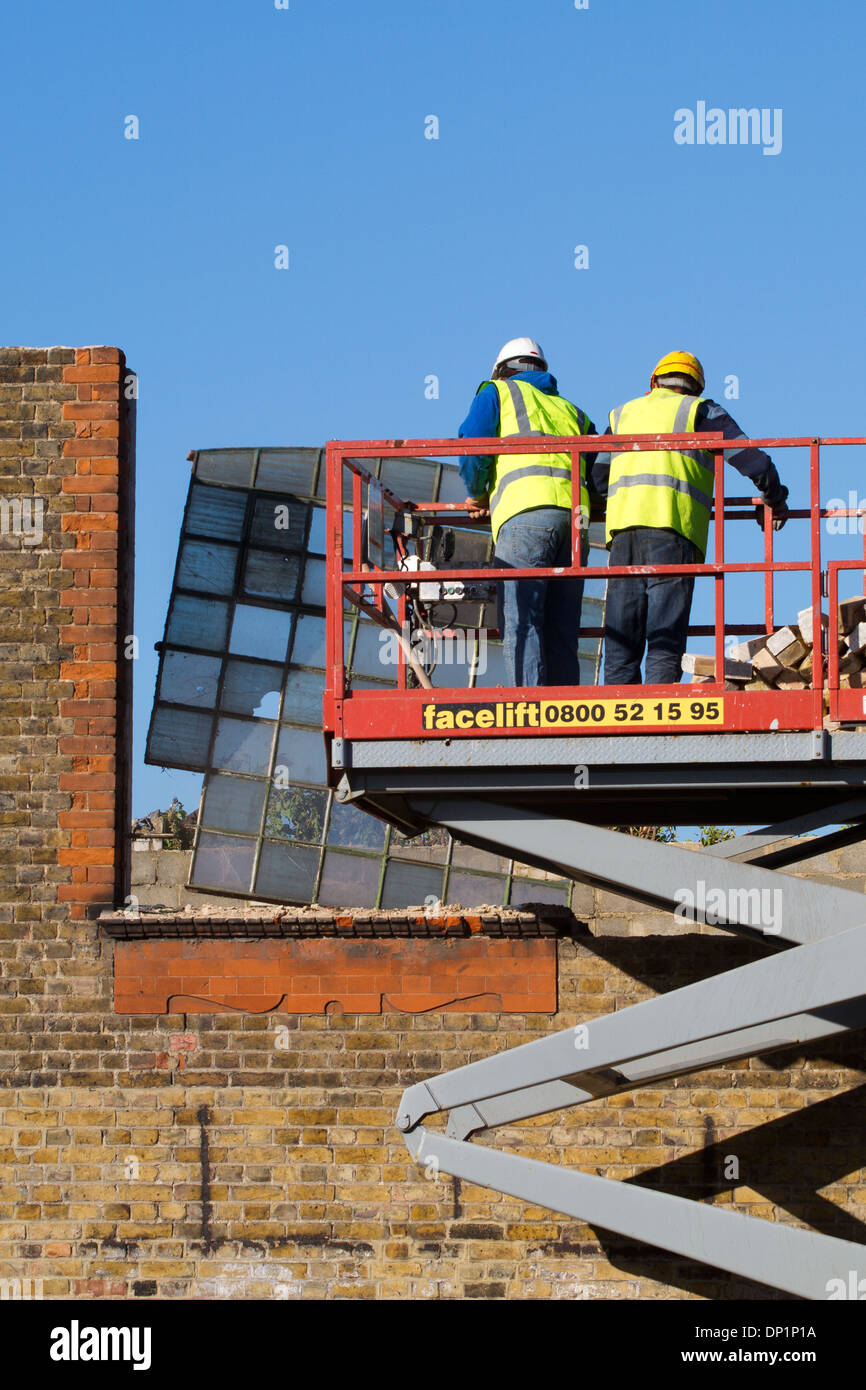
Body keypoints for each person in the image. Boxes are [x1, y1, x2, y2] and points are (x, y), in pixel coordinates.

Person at [591, 350, 789, 686]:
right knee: (664, 640)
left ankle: (617, 726)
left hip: (623, 537)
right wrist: (775, 498)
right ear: (695, 387)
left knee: (621, 642)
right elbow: (753, 460)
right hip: (674, 533)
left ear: (653, 383)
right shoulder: (700, 410)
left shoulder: (623, 413)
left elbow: (597, 479)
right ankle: (660, 722)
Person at [458, 337, 597, 687]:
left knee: (523, 621)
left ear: (501, 371)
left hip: (526, 517)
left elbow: (474, 443)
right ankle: (565, 717)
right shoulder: (573, 412)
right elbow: (599, 465)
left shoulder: (496, 393)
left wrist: (478, 494)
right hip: (576, 525)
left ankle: (529, 711)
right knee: (561, 627)